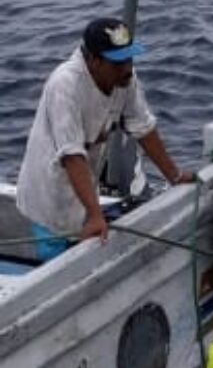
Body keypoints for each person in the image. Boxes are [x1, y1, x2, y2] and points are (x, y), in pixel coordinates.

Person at [16, 15, 194, 254]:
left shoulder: (125, 79)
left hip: (85, 185)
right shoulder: (65, 85)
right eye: (118, 63)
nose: (127, 68)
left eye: (129, 58)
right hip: (50, 192)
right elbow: (72, 156)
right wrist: (95, 214)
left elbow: (143, 126)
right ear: (94, 60)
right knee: (57, 254)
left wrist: (175, 175)